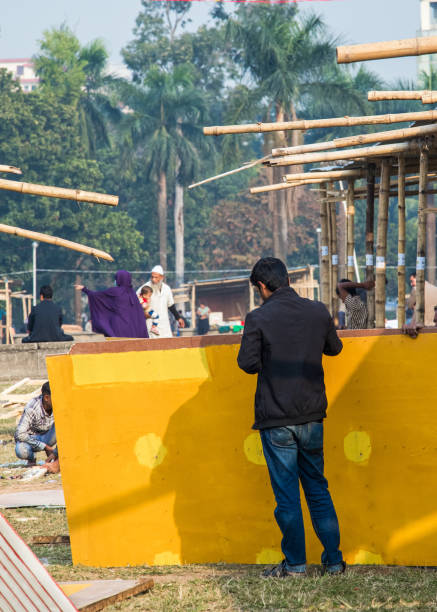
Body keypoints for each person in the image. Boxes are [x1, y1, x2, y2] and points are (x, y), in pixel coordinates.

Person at [237, 257, 344, 577]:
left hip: (277, 419)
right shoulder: (318, 310)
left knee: (287, 496)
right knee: (317, 489)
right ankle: (334, 562)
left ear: (262, 286)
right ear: (286, 279)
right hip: (312, 416)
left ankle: (296, 565)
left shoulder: (258, 318)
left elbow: (247, 364)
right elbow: (334, 349)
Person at [75, 270, 148, 339]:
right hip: (132, 329)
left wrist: (84, 289)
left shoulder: (115, 291)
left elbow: (97, 296)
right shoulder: (132, 294)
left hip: (118, 327)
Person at [15, 381, 57, 466]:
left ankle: (55, 458)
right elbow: (19, 434)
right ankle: (31, 459)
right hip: (31, 439)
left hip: (48, 436)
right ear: (46, 398)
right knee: (20, 450)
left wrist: (55, 452)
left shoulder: (59, 405)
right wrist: (44, 446)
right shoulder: (32, 407)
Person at [137, 265, 185, 339]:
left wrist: (178, 318)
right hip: (150, 324)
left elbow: (171, 306)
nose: (153, 279)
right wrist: (143, 315)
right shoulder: (144, 288)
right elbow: (136, 304)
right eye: (152, 277)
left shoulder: (167, 289)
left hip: (165, 325)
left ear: (162, 277)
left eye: (156, 277)